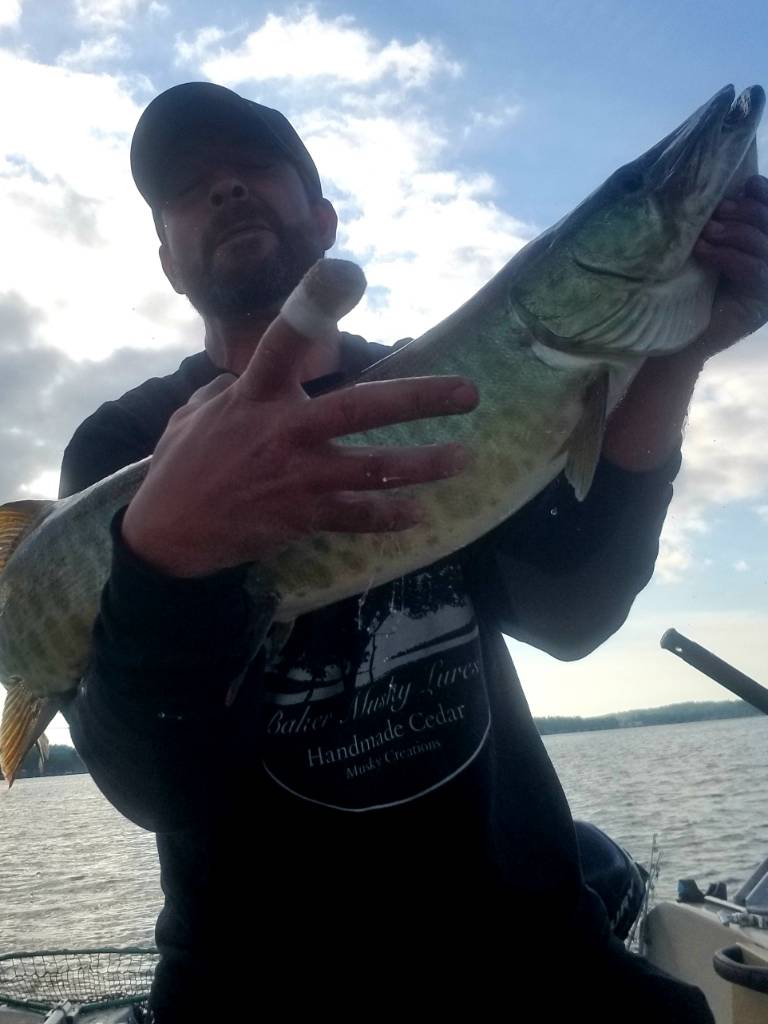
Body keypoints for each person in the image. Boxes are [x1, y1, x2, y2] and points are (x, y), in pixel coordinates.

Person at [59, 82, 768, 1022]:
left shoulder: (440, 386)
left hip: (530, 955)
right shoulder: (127, 448)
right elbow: (155, 784)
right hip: (260, 991)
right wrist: (162, 555)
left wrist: (678, 349)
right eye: (189, 189)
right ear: (167, 262)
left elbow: (569, 614)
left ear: (323, 221)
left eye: (256, 167)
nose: (226, 189)